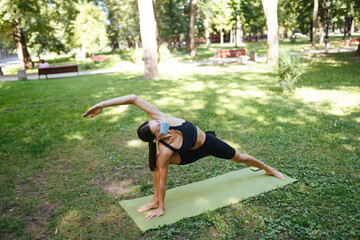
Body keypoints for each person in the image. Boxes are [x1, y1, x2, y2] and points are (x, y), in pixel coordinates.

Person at [82, 94, 285, 219]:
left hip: (207, 143)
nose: (160, 124)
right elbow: (163, 180)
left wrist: (103, 104)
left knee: (239, 157)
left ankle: (269, 169)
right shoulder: (165, 149)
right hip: (186, 155)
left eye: (155, 122)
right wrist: (162, 207)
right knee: (159, 168)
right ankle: (156, 201)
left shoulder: (163, 118)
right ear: (156, 138)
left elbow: (134, 98)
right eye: (157, 128)